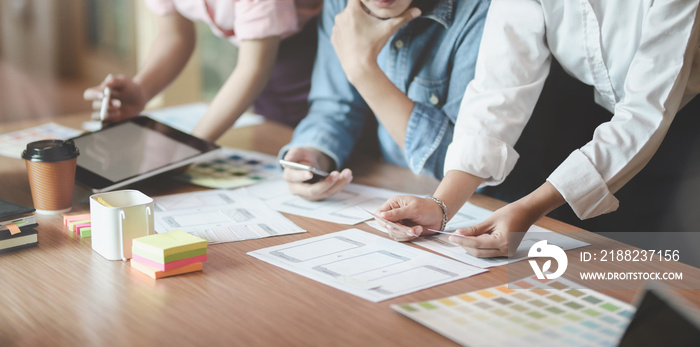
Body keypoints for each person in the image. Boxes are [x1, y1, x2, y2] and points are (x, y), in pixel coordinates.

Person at [378, 0, 700, 257]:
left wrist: (530, 208)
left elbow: (644, 114)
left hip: (684, 129)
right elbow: (498, 88)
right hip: (600, 127)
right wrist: (441, 205)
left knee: (675, 283)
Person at [280, 0, 489, 201]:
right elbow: (333, 107)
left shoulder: (481, 11)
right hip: (394, 189)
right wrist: (314, 153)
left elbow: (468, 164)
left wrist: (362, 71)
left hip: (479, 205)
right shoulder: (342, 4)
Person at [83, 0, 322, 141]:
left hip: (312, 47)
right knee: (275, 140)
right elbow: (174, 35)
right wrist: (142, 89)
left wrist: (189, 147)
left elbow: (253, 69)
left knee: (311, 142)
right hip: (261, 50)